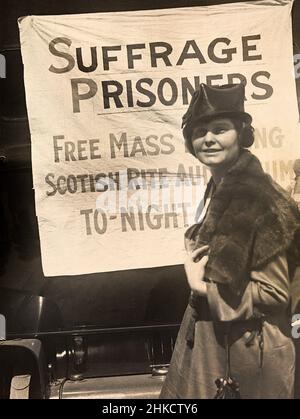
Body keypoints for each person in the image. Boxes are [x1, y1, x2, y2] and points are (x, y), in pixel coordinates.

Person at [159, 83, 300, 399]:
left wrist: (202, 288)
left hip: (249, 358)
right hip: (217, 346)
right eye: (199, 131)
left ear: (241, 134)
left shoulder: (257, 200)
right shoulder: (220, 188)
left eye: (220, 129)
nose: (208, 138)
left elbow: (276, 294)